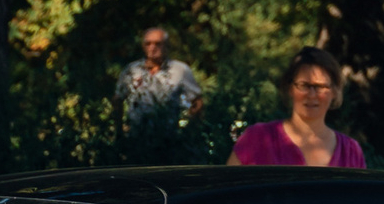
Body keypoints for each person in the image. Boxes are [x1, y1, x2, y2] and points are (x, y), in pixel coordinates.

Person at [231, 47, 364, 177]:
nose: (312, 94)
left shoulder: (350, 152)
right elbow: (227, 192)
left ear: (334, 92)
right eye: (304, 85)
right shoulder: (258, 139)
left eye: (321, 86)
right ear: (290, 88)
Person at [119, 25, 204, 125]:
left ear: (166, 46)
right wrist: (120, 130)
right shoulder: (132, 70)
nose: (152, 48)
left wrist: (190, 129)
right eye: (148, 44)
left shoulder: (180, 70)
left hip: (168, 134)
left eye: (158, 44)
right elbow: (118, 99)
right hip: (137, 133)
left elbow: (197, 102)